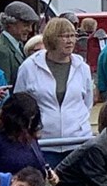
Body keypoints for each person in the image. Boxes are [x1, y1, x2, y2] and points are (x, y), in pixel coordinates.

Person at [13, 17, 94, 163]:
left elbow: (87, 102)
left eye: (72, 36)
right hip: (43, 144)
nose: (70, 41)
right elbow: (19, 104)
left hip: (78, 142)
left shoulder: (83, 67)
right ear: (51, 39)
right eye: (64, 36)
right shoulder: (29, 67)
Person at [0, 0, 39, 85]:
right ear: (10, 24)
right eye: (26, 25)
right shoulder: (1, 51)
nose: (30, 29)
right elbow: (3, 88)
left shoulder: (18, 45)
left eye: (31, 25)